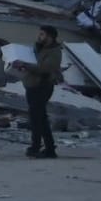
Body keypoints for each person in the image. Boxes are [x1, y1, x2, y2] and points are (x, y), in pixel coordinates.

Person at [17, 26, 63, 159]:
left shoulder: (54, 51)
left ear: (50, 37)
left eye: (42, 34)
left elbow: (44, 68)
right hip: (32, 86)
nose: (39, 37)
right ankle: (46, 147)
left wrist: (26, 65)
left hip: (42, 86)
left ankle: (40, 147)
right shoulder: (39, 48)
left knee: (38, 118)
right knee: (38, 117)